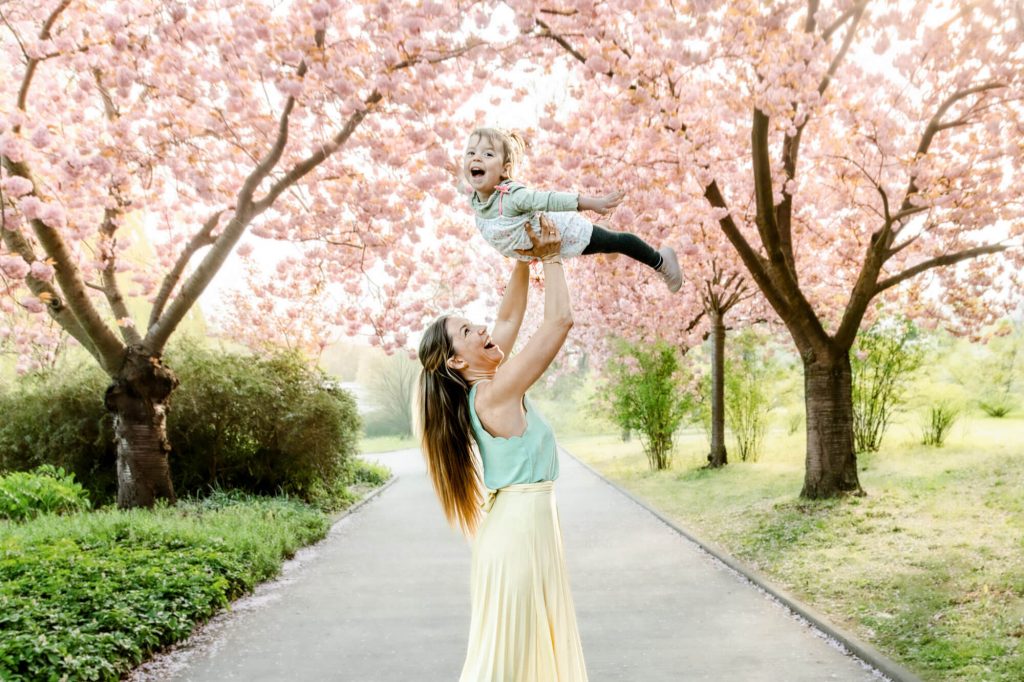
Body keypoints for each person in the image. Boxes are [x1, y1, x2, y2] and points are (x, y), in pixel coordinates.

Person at [416, 215, 588, 681]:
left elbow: (510, 316)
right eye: (468, 331)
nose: (482, 329)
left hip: (522, 530)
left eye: (476, 324)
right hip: (517, 537)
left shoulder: (490, 380)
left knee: (522, 659)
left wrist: (520, 253)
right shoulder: (494, 392)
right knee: (507, 664)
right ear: (456, 360)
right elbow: (559, 320)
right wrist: (551, 259)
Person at [464, 126, 682, 293]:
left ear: (505, 169)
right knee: (605, 241)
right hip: (541, 246)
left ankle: (661, 261)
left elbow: (549, 199)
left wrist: (591, 203)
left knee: (616, 242)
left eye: (488, 154)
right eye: (471, 152)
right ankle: (601, 229)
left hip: (563, 232)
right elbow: (460, 182)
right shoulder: (476, 197)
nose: (476, 157)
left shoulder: (512, 197)